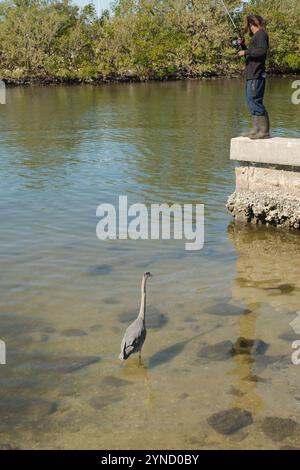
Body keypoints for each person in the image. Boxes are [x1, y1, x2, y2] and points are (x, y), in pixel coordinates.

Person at [238, 15, 270, 139]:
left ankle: (264, 131)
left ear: (252, 25)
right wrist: (243, 46)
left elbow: (262, 52)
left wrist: (245, 52)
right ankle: (256, 129)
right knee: (251, 102)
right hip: (251, 75)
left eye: (249, 26)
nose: (249, 29)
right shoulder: (256, 37)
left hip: (256, 74)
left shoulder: (261, 34)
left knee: (255, 101)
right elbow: (251, 55)